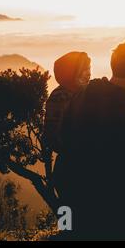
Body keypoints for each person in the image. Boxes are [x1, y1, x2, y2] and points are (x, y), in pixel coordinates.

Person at [60, 41, 125, 240]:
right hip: (113, 217)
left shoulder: (80, 96)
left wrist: (64, 215)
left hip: (74, 204)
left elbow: (64, 144)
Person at [44, 52, 91, 199]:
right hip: (71, 172)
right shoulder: (61, 97)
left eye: (90, 68)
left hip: (81, 169)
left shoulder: (82, 95)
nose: (89, 73)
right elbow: (54, 137)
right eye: (85, 69)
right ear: (72, 72)